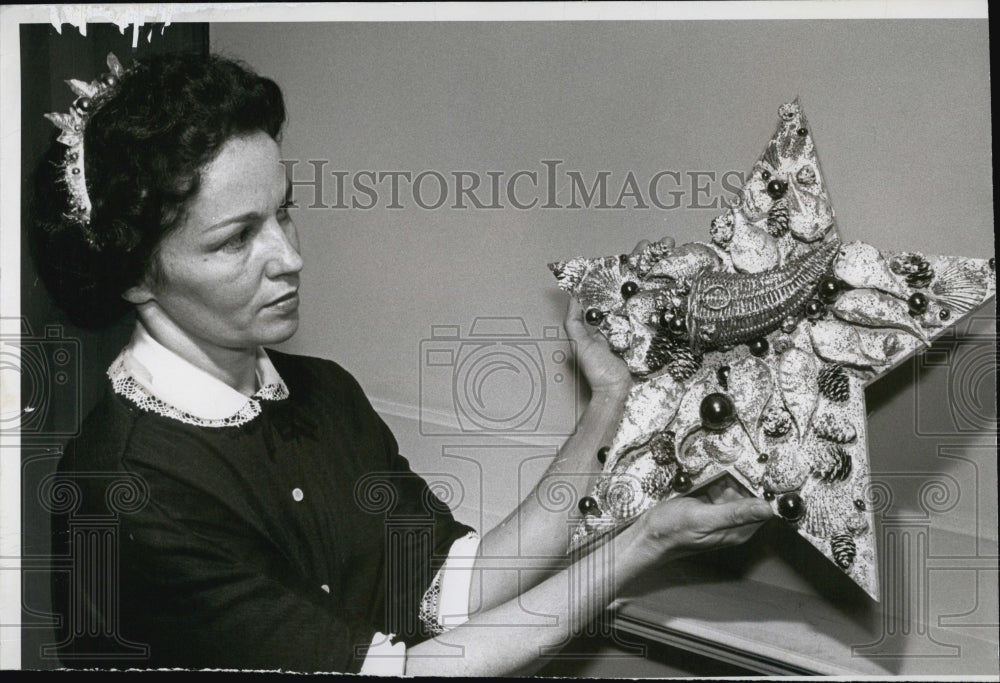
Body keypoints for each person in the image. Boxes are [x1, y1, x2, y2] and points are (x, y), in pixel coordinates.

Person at [35, 52, 773, 675]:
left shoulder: (323, 394)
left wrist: (609, 400)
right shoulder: (125, 490)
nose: (289, 257)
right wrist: (646, 541)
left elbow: (458, 587)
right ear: (135, 276)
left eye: (284, 211)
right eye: (236, 239)